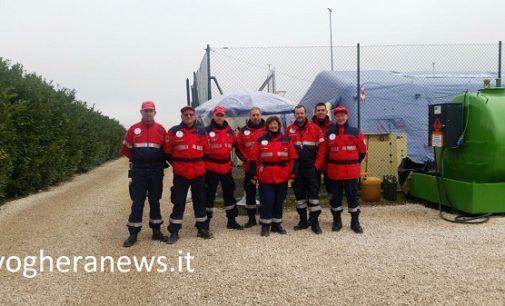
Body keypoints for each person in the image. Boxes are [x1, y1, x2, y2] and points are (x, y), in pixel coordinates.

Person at [120, 100, 169, 247]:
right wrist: (136, 159)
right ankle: (133, 233)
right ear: (141, 112)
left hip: (155, 170)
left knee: (155, 201)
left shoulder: (161, 130)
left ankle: (156, 231)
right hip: (139, 171)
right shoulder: (133, 129)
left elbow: (166, 150)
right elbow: (125, 148)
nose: (148, 113)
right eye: (145, 111)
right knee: (137, 202)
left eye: (150, 111)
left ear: (155, 112)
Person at [164, 105, 213, 244]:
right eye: (186, 115)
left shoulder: (202, 132)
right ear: (181, 117)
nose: (189, 117)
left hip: (198, 172)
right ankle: (174, 231)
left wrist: (200, 165)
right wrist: (178, 165)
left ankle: (202, 229)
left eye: (191, 114)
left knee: (200, 201)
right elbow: (167, 152)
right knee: (178, 202)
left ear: (195, 116)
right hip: (181, 173)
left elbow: (207, 152)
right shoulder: (173, 131)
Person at [316, 106, 367, 233]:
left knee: (352, 198)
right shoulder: (329, 134)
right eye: (338, 116)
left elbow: (362, 152)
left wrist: (352, 162)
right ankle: (337, 221)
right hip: (334, 172)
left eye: (342, 115)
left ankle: (355, 223)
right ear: (334, 117)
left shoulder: (356, 132)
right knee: (335, 198)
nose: (340, 118)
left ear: (347, 116)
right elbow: (325, 153)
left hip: (351, 171)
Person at [249, 116, 298, 237]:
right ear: (267, 126)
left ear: (279, 125)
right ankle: (265, 225)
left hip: (282, 176)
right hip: (266, 176)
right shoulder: (260, 140)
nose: (273, 126)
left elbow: (294, 158)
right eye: (271, 124)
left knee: (279, 201)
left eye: (275, 124)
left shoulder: (286, 140)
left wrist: (293, 173)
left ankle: (277, 224)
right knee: (267, 201)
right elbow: (253, 158)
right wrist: (253, 175)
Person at [286, 105, 326, 234]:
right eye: (297, 113)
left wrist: (317, 166)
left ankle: (314, 223)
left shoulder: (315, 128)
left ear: (305, 113)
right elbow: (285, 149)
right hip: (297, 169)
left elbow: (322, 149)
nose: (300, 115)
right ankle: (303, 221)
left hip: (311, 168)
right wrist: (290, 168)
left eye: (301, 113)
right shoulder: (289, 130)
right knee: (299, 196)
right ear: (294, 115)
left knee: (313, 196)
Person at [204, 106, 243, 230]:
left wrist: (246, 159)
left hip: (226, 168)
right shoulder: (205, 131)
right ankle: (205, 222)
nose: (220, 117)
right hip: (211, 168)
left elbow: (237, 146)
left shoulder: (230, 132)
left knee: (229, 193)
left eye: (221, 115)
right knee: (209, 195)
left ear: (224, 116)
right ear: (213, 116)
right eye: (217, 115)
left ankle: (231, 220)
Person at [236, 107, 265, 227]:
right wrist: (245, 159)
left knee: (265, 193)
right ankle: (251, 219)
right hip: (249, 167)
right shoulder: (243, 131)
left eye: (257, 115)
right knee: (250, 193)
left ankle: (264, 217)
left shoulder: (267, 129)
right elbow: (238, 147)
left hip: (264, 168)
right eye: (253, 115)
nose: (255, 117)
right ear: (250, 116)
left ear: (261, 115)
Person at [311, 102, 335, 194]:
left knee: (331, 186)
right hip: (314, 160)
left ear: (326, 111)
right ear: (315, 112)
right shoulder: (309, 126)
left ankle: (334, 205)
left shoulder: (333, 127)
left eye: (322, 110)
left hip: (329, 161)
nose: (320, 112)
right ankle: (314, 206)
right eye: (318, 110)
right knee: (314, 186)